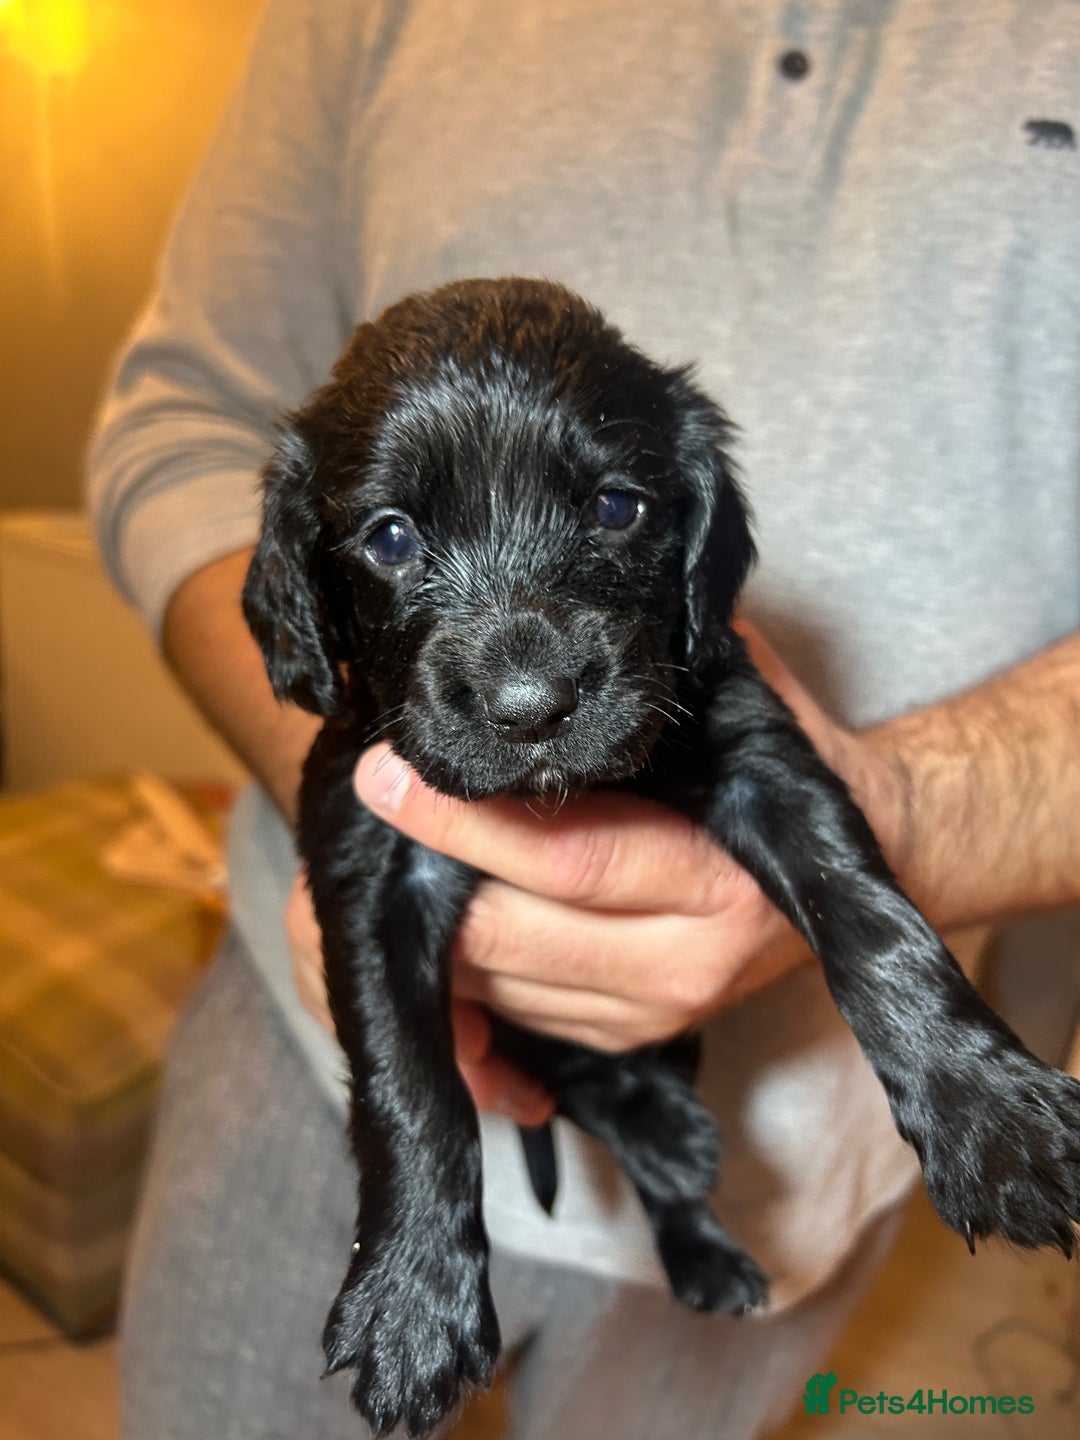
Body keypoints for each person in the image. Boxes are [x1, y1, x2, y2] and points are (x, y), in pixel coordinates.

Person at [87, 2, 1080, 1436]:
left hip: (782, 1144)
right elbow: (183, 409)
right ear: (313, 572)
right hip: (299, 1052)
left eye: (612, 508)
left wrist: (927, 896)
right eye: (396, 541)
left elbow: (777, 793)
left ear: (687, 534)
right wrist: (366, 805)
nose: (529, 675)